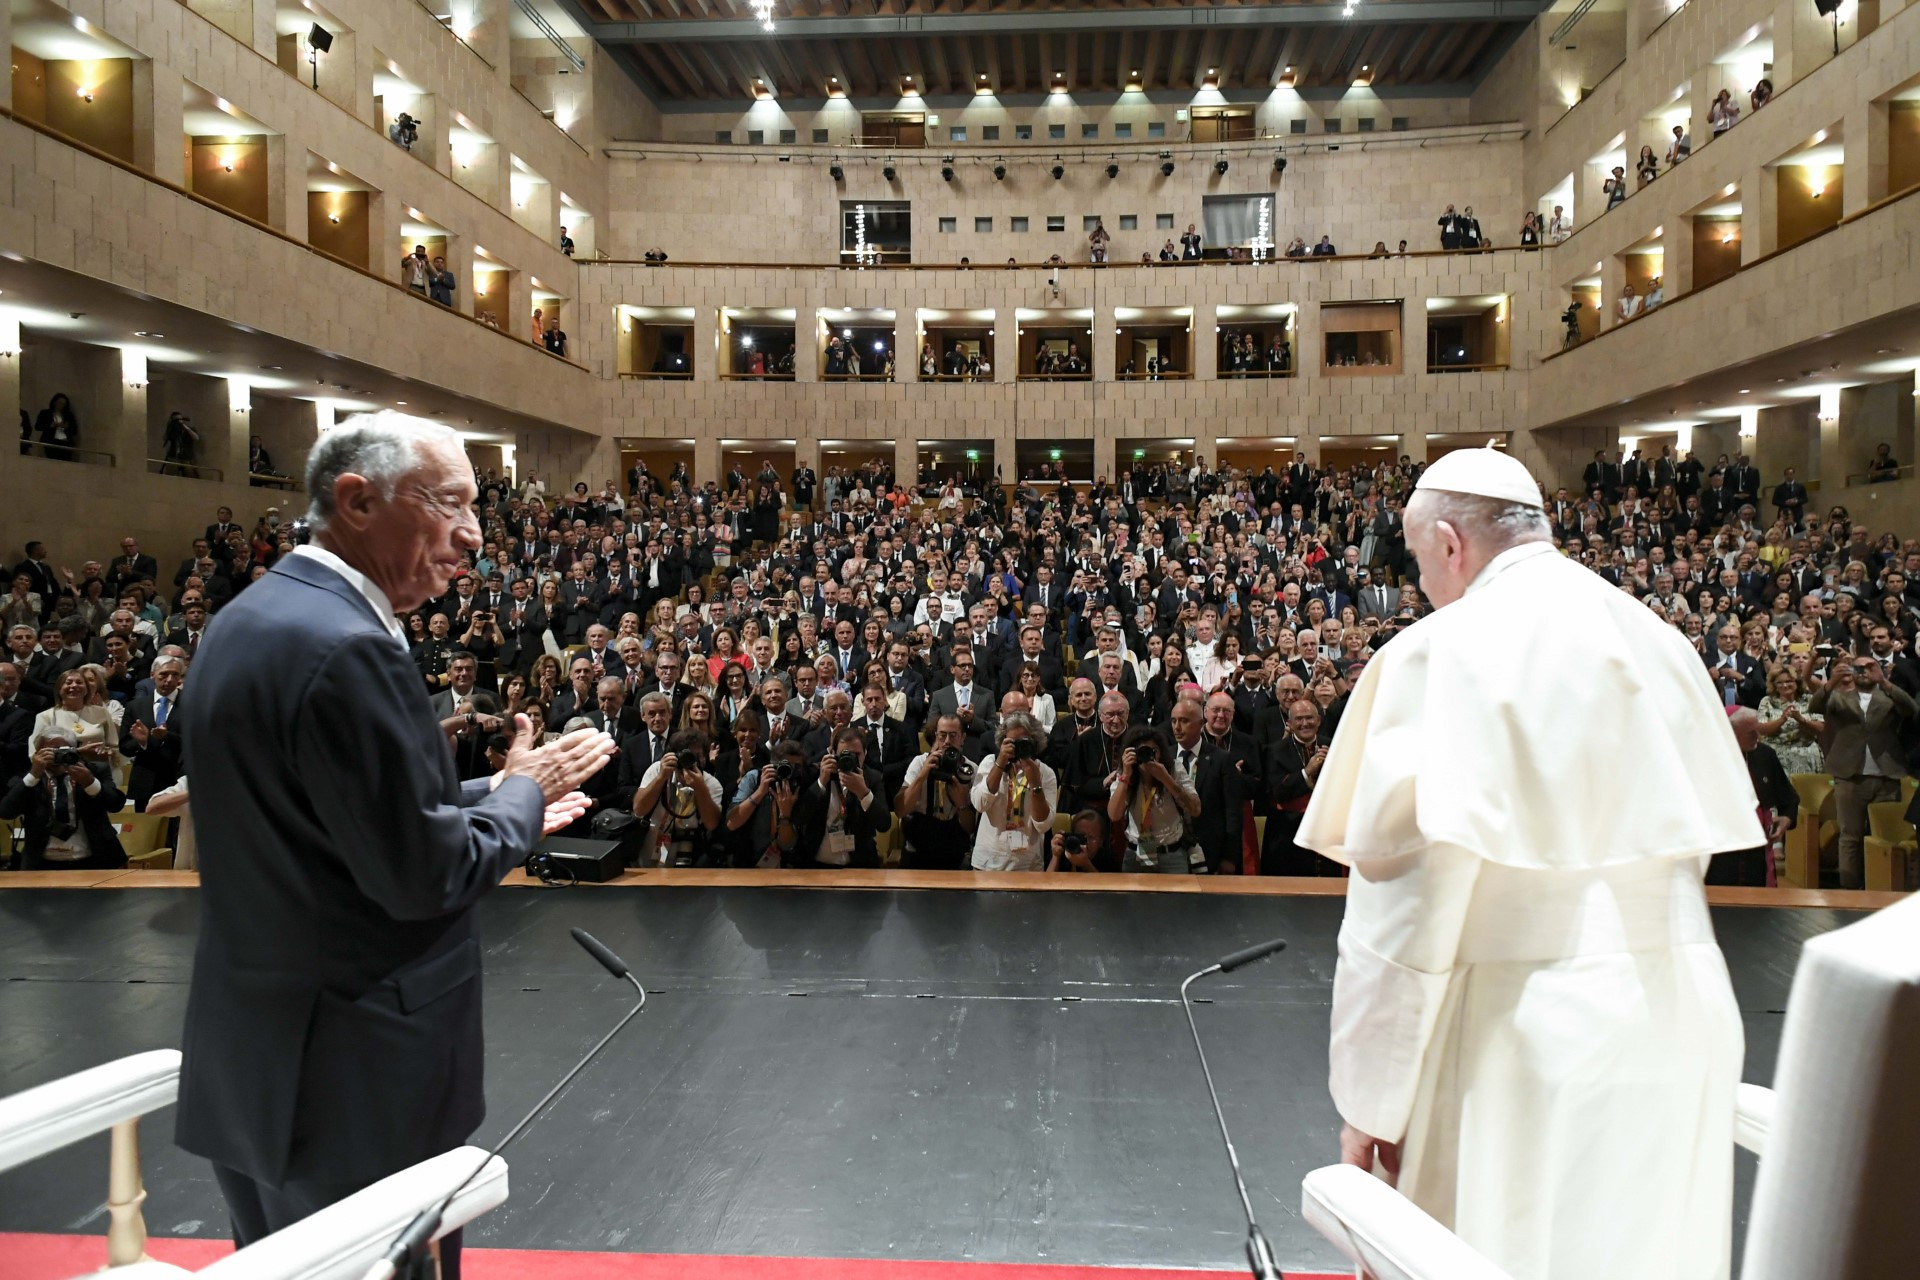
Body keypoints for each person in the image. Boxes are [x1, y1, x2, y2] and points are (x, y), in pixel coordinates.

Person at [1297, 446, 1760, 1280]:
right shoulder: (1657, 640)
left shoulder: (1437, 652)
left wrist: (1369, 1102)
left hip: (1521, 1038)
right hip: (1685, 1016)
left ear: (1448, 543)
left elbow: (1400, 915)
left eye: (1416, 563)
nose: (1423, 585)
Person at [174, 413, 617, 1275]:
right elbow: (427, 873)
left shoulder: (250, 618)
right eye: (450, 502)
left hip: (260, 1056)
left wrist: (495, 791)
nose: (474, 534)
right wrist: (524, 795)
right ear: (356, 499)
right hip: (358, 1071)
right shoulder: (350, 647)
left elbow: (327, 819)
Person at [1811, 656, 1914, 890]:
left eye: (1870, 667)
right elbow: (1815, 706)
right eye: (1859, 667)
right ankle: (1850, 889)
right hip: (1849, 777)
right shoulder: (1840, 698)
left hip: (1887, 776)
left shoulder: (1887, 698)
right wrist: (1831, 682)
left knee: (1886, 837)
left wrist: (1885, 682)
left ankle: (1885, 887)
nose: (1864, 671)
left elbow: (1911, 709)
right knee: (1850, 837)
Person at [1, 726, 127, 869]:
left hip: (94, 860)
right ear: (37, 753)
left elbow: (115, 804)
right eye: (50, 752)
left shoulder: (94, 770)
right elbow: (6, 812)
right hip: (42, 863)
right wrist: (33, 775)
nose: (57, 757)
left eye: (62, 750)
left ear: (75, 750)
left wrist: (90, 783)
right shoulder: (27, 778)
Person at [969, 712, 1057, 870]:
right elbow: (979, 804)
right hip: (988, 862)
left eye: (1024, 742)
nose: (1018, 748)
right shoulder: (990, 763)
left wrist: (1036, 783)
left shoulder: (1045, 773)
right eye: (1012, 743)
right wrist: (1000, 763)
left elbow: (1044, 826)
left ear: (1035, 742)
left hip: (1028, 865)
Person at [895, 712, 978, 870]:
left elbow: (970, 828)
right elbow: (901, 810)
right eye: (942, 735)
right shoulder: (920, 762)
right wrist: (922, 775)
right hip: (917, 849)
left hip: (954, 851)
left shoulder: (971, 769)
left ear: (963, 738)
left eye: (953, 736)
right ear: (935, 736)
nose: (947, 741)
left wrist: (961, 804)